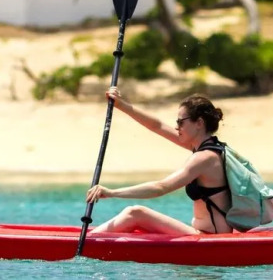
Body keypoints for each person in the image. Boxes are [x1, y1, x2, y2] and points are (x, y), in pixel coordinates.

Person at [85, 87, 232, 235]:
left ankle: (88, 241)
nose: (177, 127)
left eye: (181, 122)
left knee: (135, 213)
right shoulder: (212, 148)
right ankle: (92, 239)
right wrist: (122, 105)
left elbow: (161, 187)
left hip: (210, 238)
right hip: (203, 234)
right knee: (135, 217)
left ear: (199, 123)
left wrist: (111, 192)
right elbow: (157, 126)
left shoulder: (204, 158)